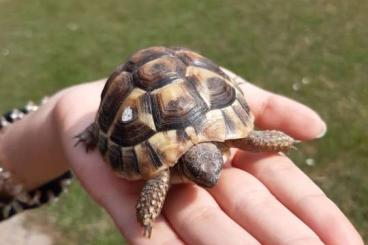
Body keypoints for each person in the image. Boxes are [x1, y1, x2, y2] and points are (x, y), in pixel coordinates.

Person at [0, 69, 363, 245]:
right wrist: (147, 213)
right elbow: (159, 176)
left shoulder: (225, 143)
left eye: (213, 170)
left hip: (198, 101)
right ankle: (98, 126)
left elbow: (247, 138)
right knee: (157, 177)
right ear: (184, 166)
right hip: (133, 106)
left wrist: (277, 141)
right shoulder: (163, 172)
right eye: (200, 173)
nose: (211, 178)